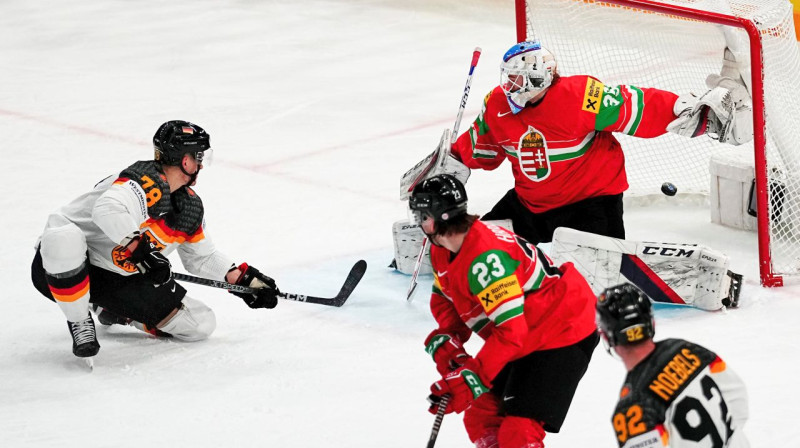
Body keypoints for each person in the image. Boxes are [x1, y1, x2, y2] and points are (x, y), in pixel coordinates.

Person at [449, 40, 752, 245]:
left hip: (589, 205)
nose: (509, 86)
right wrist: (449, 163)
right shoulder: (498, 104)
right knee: (476, 245)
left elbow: (634, 106)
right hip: (530, 206)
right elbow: (483, 148)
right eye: (508, 78)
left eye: (516, 79)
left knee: (600, 276)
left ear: (539, 77)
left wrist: (689, 112)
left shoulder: (579, 96)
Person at [30, 120, 281, 360]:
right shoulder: (139, 180)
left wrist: (244, 280)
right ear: (185, 160)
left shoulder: (188, 206)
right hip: (62, 268)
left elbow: (201, 258)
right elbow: (107, 209)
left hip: (115, 280)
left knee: (200, 323)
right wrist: (141, 251)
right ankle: (78, 319)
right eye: (198, 157)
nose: (200, 165)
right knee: (63, 237)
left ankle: (113, 311)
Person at [410, 173, 600, 448]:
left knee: (519, 433)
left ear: (436, 217)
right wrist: (451, 342)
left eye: (421, 215)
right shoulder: (442, 249)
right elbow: (445, 298)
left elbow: (511, 333)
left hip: (563, 329)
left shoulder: (486, 260)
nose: (419, 223)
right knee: (481, 417)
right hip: (526, 335)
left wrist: (470, 379)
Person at [596, 283, 749, 448]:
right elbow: (737, 396)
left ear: (606, 337)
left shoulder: (632, 409)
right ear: (652, 324)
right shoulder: (687, 350)